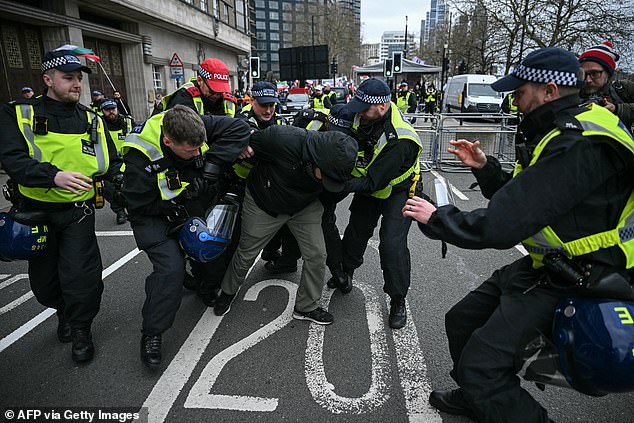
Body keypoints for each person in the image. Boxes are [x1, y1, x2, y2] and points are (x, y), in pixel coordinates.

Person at [404, 47, 634, 423]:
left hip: (582, 275)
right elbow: (528, 196)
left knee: (482, 366)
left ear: (548, 91)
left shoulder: (578, 143)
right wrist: (485, 167)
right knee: (462, 319)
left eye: (519, 90)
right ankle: (478, 397)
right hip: (551, 264)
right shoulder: (559, 129)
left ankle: (484, 388)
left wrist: (437, 218)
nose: (514, 99)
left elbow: (505, 223)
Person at [0, 47, 122, 363]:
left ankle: (81, 329)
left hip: (77, 213)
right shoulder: (17, 114)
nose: (76, 84)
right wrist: (54, 176)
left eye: (79, 78)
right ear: (48, 79)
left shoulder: (93, 119)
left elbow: (110, 166)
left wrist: (123, 193)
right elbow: (14, 161)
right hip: (36, 213)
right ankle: (62, 311)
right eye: (68, 78)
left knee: (82, 277)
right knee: (44, 285)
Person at [121, 105, 251, 368]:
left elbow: (239, 128)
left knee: (211, 246)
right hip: (153, 214)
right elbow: (138, 206)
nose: (196, 153)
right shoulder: (139, 158)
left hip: (185, 204)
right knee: (170, 270)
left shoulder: (191, 123)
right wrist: (186, 194)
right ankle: (152, 333)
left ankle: (204, 284)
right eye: (190, 150)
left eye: (199, 147)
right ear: (168, 141)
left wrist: (211, 166)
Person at [213, 125, 358, 325]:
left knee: (317, 254)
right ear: (316, 159)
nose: (327, 182)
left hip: (304, 206)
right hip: (264, 203)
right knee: (246, 253)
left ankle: (306, 306)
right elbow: (239, 140)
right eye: (324, 177)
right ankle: (227, 292)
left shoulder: (339, 166)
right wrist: (241, 148)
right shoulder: (280, 138)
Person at [337, 78, 423, 329]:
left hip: (399, 188)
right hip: (370, 182)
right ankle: (346, 270)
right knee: (356, 231)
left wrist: (340, 185)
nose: (358, 113)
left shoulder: (401, 140)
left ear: (383, 107)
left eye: (364, 109)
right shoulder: (360, 114)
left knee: (391, 244)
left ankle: (397, 299)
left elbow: (374, 181)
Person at [238, 81, 301, 273]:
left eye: (272, 105)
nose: (268, 110)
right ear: (252, 101)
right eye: (263, 105)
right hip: (241, 183)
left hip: (270, 182)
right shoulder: (241, 120)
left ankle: (275, 251)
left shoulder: (280, 120)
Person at [578, 41, 634, 130]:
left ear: (608, 74)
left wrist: (617, 109)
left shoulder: (623, 89)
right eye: (583, 74)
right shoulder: (571, 93)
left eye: (594, 73)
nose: (588, 80)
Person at [161, 58, 238, 117]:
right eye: (212, 91)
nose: (216, 95)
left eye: (221, 91)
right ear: (199, 80)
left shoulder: (228, 101)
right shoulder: (183, 96)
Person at [100, 99, 135, 224]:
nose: (111, 112)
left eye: (113, 109)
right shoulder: (99, 125)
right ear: (103, 111)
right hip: (109, 164)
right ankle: (119, 211)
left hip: (129, 162)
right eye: (107, 110)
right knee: (108, 189)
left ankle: (133, 209)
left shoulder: (128, 122)